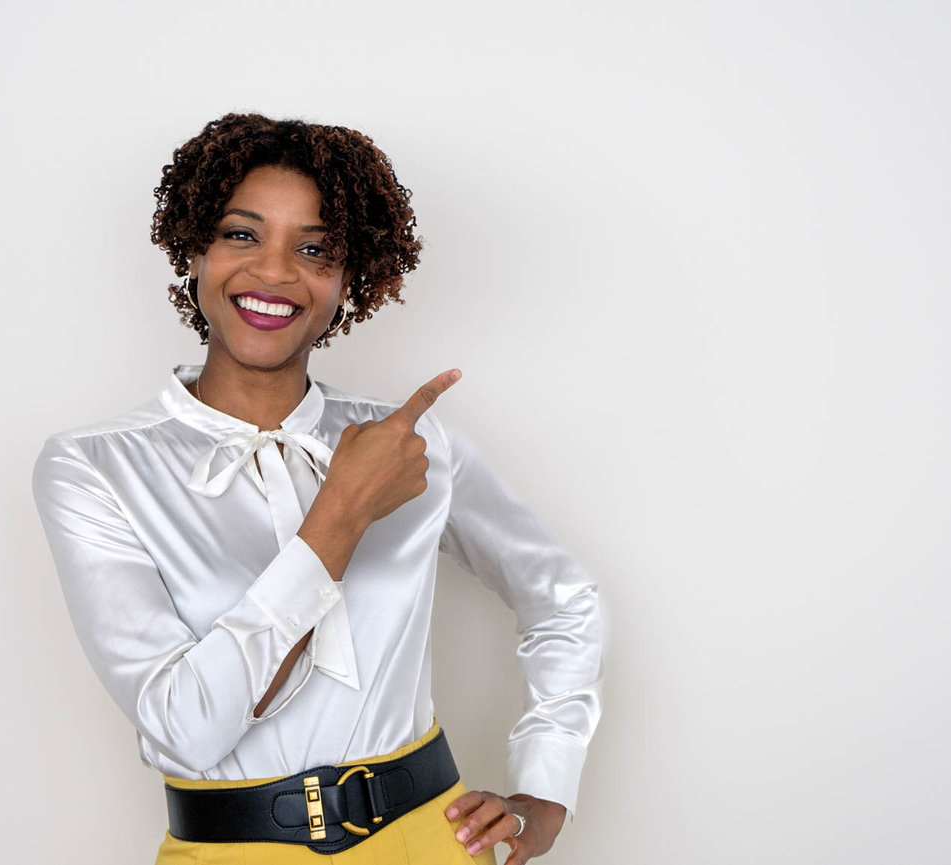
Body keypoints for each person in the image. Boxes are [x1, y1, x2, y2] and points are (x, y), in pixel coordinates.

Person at [32, 113, 603, 865]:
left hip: (429, 842)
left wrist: (546, 789)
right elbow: (186, 729)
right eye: (241, 234)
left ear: (349, 277)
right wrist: (341, 513)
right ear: (194, 249)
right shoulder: (96, 467)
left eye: (314, 249)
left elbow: (564, 597)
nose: (273, 272)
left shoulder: (412, 442)